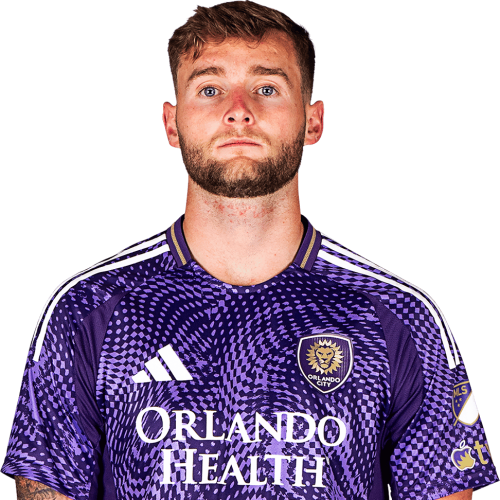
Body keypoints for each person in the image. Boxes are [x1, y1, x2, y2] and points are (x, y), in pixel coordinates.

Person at [1, 1, 497, 499]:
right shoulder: (87, 308)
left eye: (267, 88)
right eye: (209, 89)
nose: (238, 110)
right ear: (171, 124)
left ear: (313, 122)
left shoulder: (402, 316)